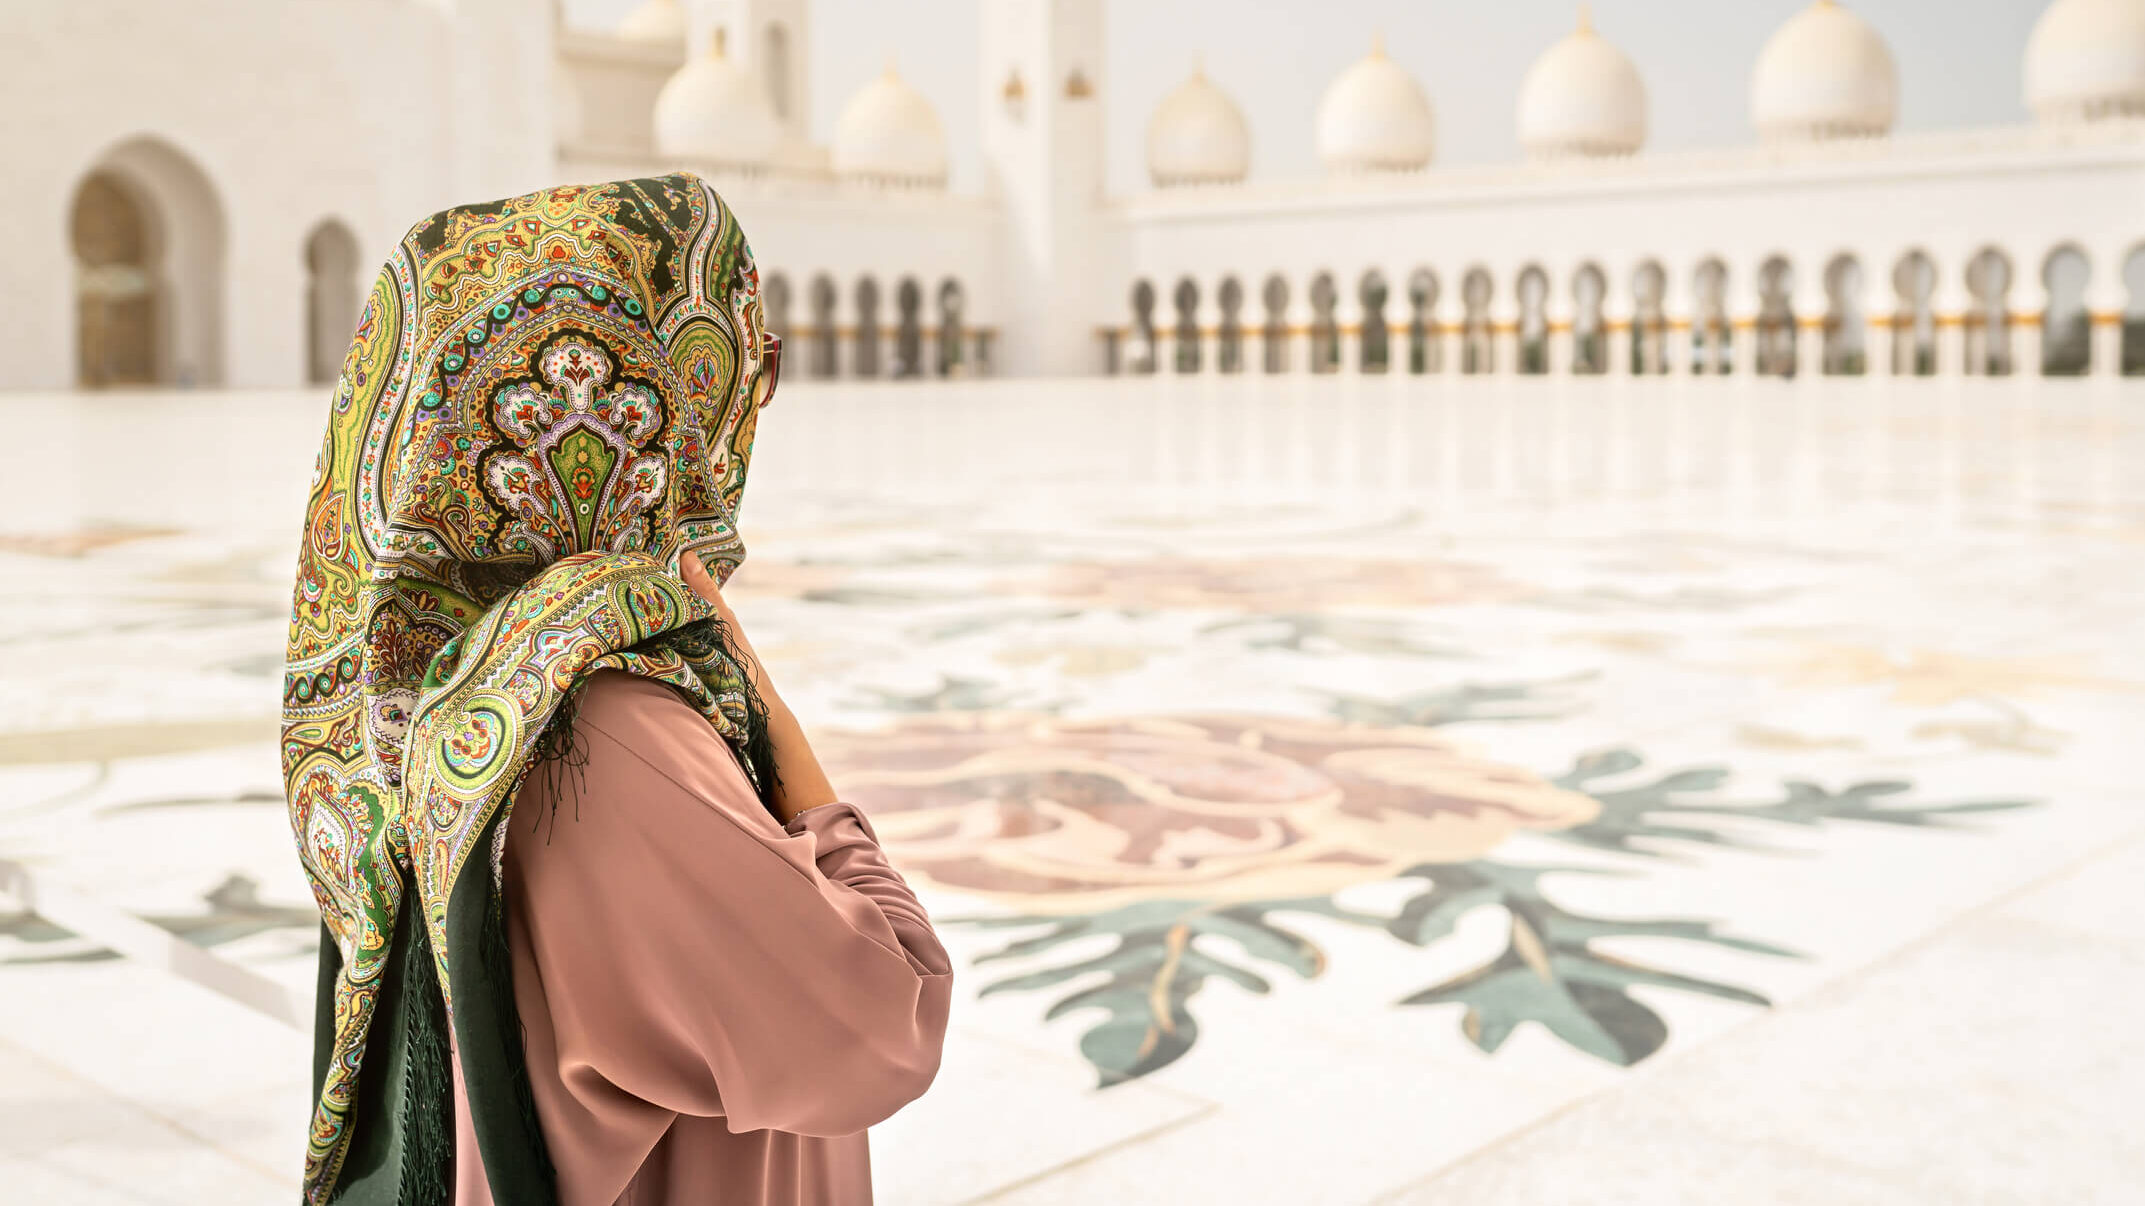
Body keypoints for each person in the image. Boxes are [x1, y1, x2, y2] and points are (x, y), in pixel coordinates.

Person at [280, 171, 954, 1206]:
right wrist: (773, 719)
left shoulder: (443, 686)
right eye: (747, 360)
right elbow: (883, 1027)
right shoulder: (611, 724)